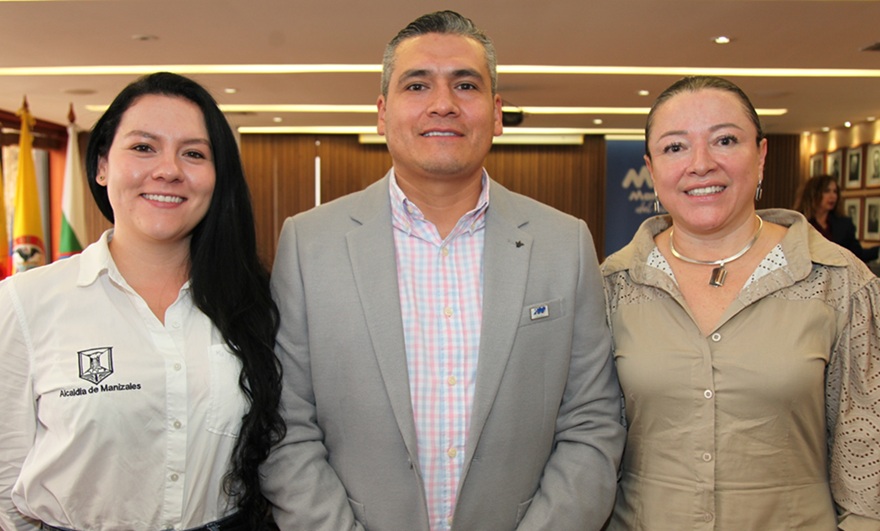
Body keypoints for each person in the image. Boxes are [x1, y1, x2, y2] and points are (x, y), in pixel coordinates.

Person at [262, 10, 624, 531]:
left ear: (496, 113)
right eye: (417, 85)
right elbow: (286, 425)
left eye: (465, 85)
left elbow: (592, 422)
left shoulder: (564, 243)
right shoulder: (308, 243)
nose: (443, 105)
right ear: (382, 113)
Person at [0, 72, 285, 530]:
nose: (168, 170)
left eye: (193, 153)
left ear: (217, 177)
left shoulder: (254, 303)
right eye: (143, 147)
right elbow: (3, 478)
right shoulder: (26, 302)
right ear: (101, 166)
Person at [601, 75, 880, 529]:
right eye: (676, 148)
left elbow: (869, 462)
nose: (701, 164)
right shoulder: (611, 285)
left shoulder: (840, 282)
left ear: (761, 155)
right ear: (652, 170)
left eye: (725, 140)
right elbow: (591, 445)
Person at [794, 174, 879, 264]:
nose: (833, 196)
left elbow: (857, 254)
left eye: (835, 192)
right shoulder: (799, 222)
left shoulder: (844, 224)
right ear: (813, 194)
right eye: (827, 191)